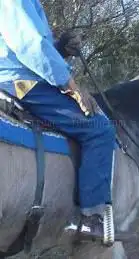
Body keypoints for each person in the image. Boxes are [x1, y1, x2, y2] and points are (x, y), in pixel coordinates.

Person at [0, 0, 115, 245]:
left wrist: (60, 49)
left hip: (17, 78)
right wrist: (72, 87)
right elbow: (30, 45)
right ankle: (91, 218)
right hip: (20, 84)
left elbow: (34, 47)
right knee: (99, 129)